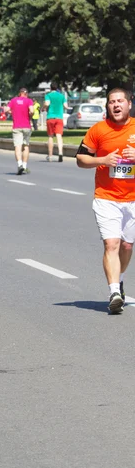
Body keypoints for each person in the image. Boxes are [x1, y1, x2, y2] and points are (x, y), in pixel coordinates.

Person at [76, 87, 135, 314]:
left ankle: (118, 279)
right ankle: (114, 292)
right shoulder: (98, 130)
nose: (116, 105)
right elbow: (81, 159)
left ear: (129, 104)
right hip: (106, 197)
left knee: (127, 245)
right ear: (107, 106)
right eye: (112, 102)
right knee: (112, 244)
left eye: (120, 101)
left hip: (133, 199)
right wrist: (103, 159)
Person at [5, 87, 34, 175]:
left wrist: (12, 112)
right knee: (26, 146)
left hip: (17, 126)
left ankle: (19, 164)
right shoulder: (29, 101)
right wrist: (30, 115)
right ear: (26, 94)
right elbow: (32, 111)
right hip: (26, 126)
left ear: (19, 93)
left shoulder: (13, 100)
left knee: (18, 146)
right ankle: (24, 166)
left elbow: (6, 110)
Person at [44, 83, 68, 162]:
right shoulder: (61, 96)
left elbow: (47, 103)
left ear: (50, 88)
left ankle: (50, 155)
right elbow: (65, 106)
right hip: (59, 118)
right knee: (59, 136)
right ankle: (60, 153)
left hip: (50, 117)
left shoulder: (48, 95)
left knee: (50, 136)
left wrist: (43, 107)